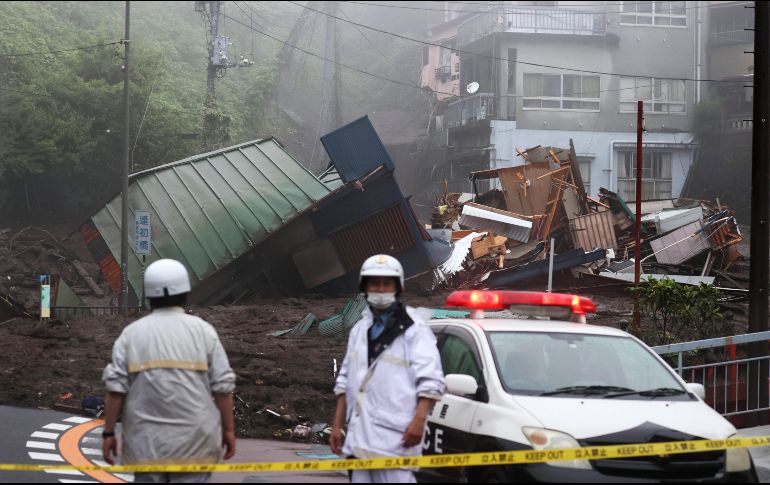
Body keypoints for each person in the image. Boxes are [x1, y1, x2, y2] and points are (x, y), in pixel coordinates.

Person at [102, 259, 236, 483]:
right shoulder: (203, 332)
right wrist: (228, 430)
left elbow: (115, 390)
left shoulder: (131, 334)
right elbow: (223, 387)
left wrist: (108, 433)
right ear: (185, 292)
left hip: (145, 444)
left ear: (149, 295)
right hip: (196, 442)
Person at [330, 254, 445, 483]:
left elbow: (431, 381)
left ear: (398, 287)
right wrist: (337, 425)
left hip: (396, 439)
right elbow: (345, 379)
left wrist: (419, 421)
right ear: (365, 287)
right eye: (374, 283)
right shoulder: (360, 329)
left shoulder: (415, 329)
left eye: (386, 283)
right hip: (359, 439)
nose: (380, 289)